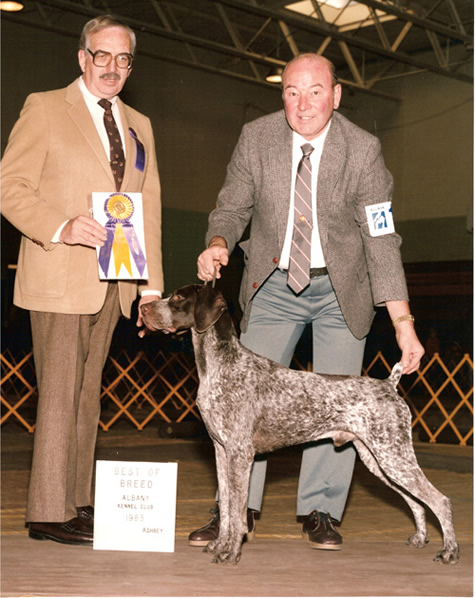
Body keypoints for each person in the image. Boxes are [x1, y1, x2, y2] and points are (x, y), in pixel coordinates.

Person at [192, 53, 424, 551]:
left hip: (343, 290)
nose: (303, 103)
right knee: (242, 403)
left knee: (339, 405)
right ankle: (235, 511)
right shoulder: (257, 137)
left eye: (315, 90)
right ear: (282, 96)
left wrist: (402, 321)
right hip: (274, 283)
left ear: (336, 96)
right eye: (292, 91)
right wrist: (218, 242)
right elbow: (232, 206)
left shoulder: (362, 150)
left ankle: (320, 509)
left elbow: (381, 239)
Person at [1, 15, 163, 545]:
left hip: (114, 281)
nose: (112, 67)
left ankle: (77, 500)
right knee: (58, 395)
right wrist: (61, 225)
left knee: (86, 396)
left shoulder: (139, 122)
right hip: (59, 274)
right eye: (102, 56)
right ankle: (47, 512)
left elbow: (149, 209)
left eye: (123, 59)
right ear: (82, 57)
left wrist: (150, 289)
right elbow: (10, 187)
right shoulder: (45, 107)